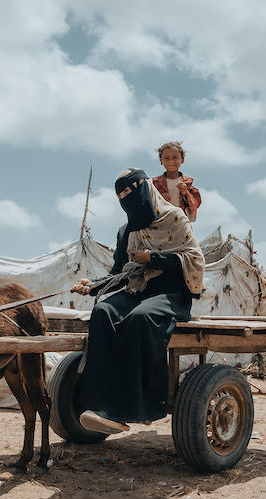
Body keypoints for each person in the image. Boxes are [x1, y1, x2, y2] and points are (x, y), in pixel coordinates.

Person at [71, 168, 205, 434]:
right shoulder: (126, 232)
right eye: (120, 194)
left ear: (144, 187)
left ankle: (133, 406)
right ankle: (99, 404)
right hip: (137, 290)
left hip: (171, 294)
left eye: (130, 191)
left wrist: (153, 259)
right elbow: (120, 273)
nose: (125, 197)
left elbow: (195, 261)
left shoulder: (175, 218)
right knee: (103, 311)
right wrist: (92, 286)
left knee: (140, 318)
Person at [152, 141, 200, 222]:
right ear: (161, 161)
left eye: (175, 157)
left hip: (182, 220)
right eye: (166, 158)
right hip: (162, 221)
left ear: (182, 160)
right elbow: (149, 202)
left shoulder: (187, 182)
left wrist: (185, 193)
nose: (171, 161)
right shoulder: (156, 183)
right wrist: (160, 199)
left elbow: (196, 203)